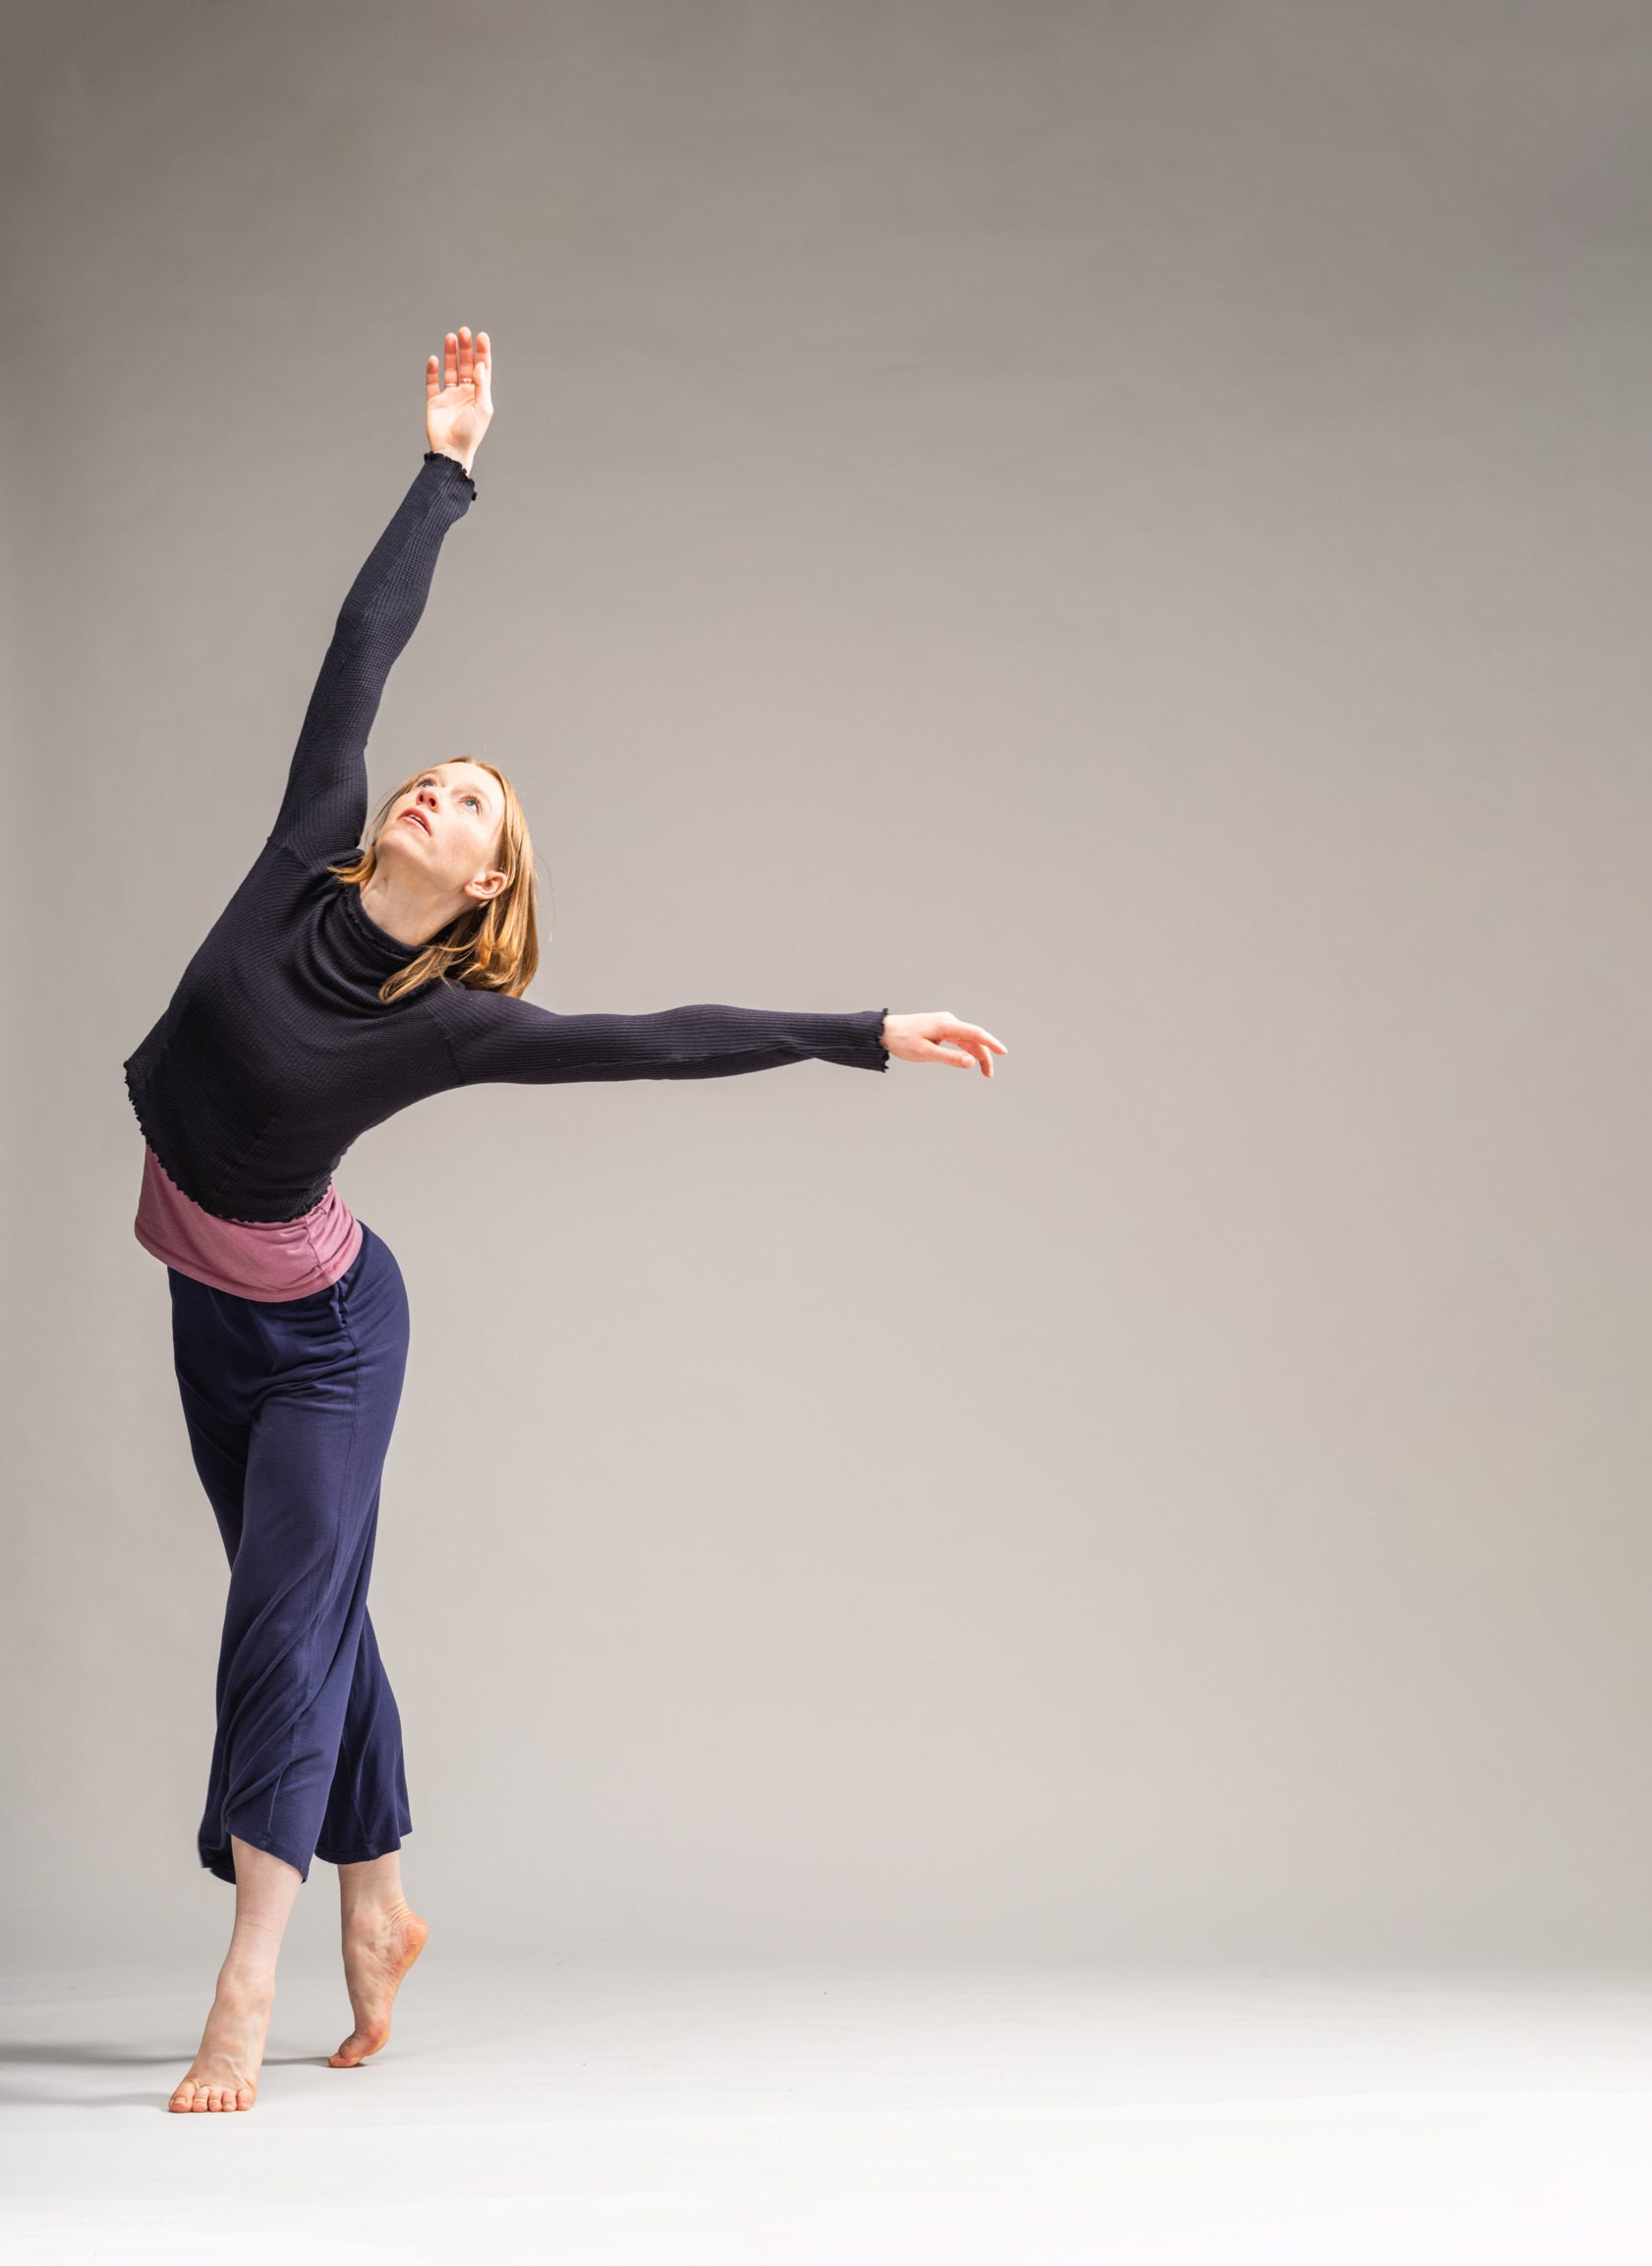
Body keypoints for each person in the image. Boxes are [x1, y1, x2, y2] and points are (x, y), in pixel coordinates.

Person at [123, 325, 1008, 2116]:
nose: (437, 788)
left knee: (281, 1623)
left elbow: (658, 1039)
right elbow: (362, 645)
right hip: (209, 1312)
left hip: (325, 1339)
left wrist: (860, 1032)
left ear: (483, 888)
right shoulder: (304, 848)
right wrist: (447, 467)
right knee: (311, 1604)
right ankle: (382, 1903)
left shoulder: (451, 1023)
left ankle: (247, 1977)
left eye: (476, 805)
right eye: (439, 776)